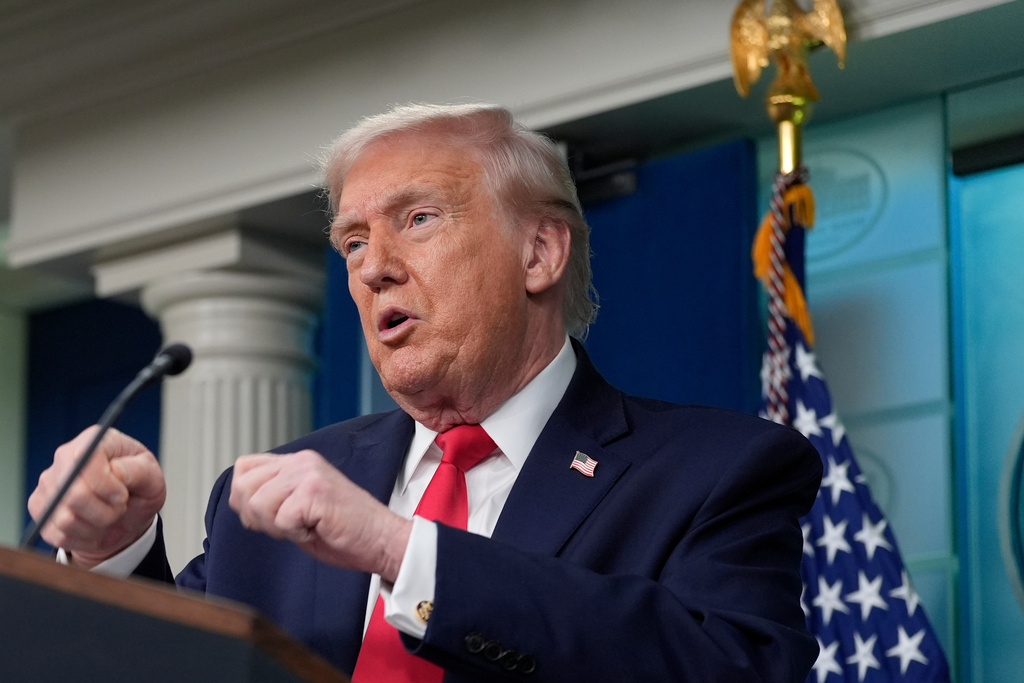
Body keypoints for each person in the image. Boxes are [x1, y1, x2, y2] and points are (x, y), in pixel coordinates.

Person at [28, 103, 822, 681]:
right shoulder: (273, 492)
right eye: (353, 241)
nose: (373, 267)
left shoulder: (717, 471)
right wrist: (111, 552)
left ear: (539, 252)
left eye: (417, 218)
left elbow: (736, 670)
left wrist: (401, 551)